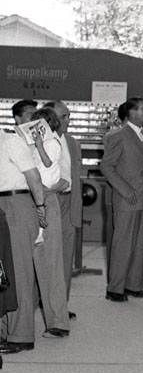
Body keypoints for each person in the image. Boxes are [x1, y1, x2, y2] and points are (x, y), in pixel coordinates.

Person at [100, 97, 143, 302]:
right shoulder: (119, 136)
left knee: (138, 244)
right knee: (122, 243)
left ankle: (133, 284)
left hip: (142, 198)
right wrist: (125, 190)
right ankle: (115, 288)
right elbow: (106, 166)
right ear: (131, 112)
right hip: (126, 199)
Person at [0, 129, 47, 354]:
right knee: (2, 273)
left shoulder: (11, 141)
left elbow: (34, 176)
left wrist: (41, 207)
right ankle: (4, 330)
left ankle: (21, 335)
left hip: (15, 204)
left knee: (18, 272)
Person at [27, 107, 71, 337]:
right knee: (30, 263)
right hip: (29, 200)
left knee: (50, 264)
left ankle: (57, 321)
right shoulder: (33, 143)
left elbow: (63, 179)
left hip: (46, 198)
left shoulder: (55, 143)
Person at [44, 100, 82, 317]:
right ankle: (41, 302)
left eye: (68, 116)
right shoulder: (39, 141)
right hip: (49, 201)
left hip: (68, 203)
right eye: (63, 116)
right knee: (45, 255)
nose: (67, 120)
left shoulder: (73, 143)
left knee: (66, 257)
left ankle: (60, 306)